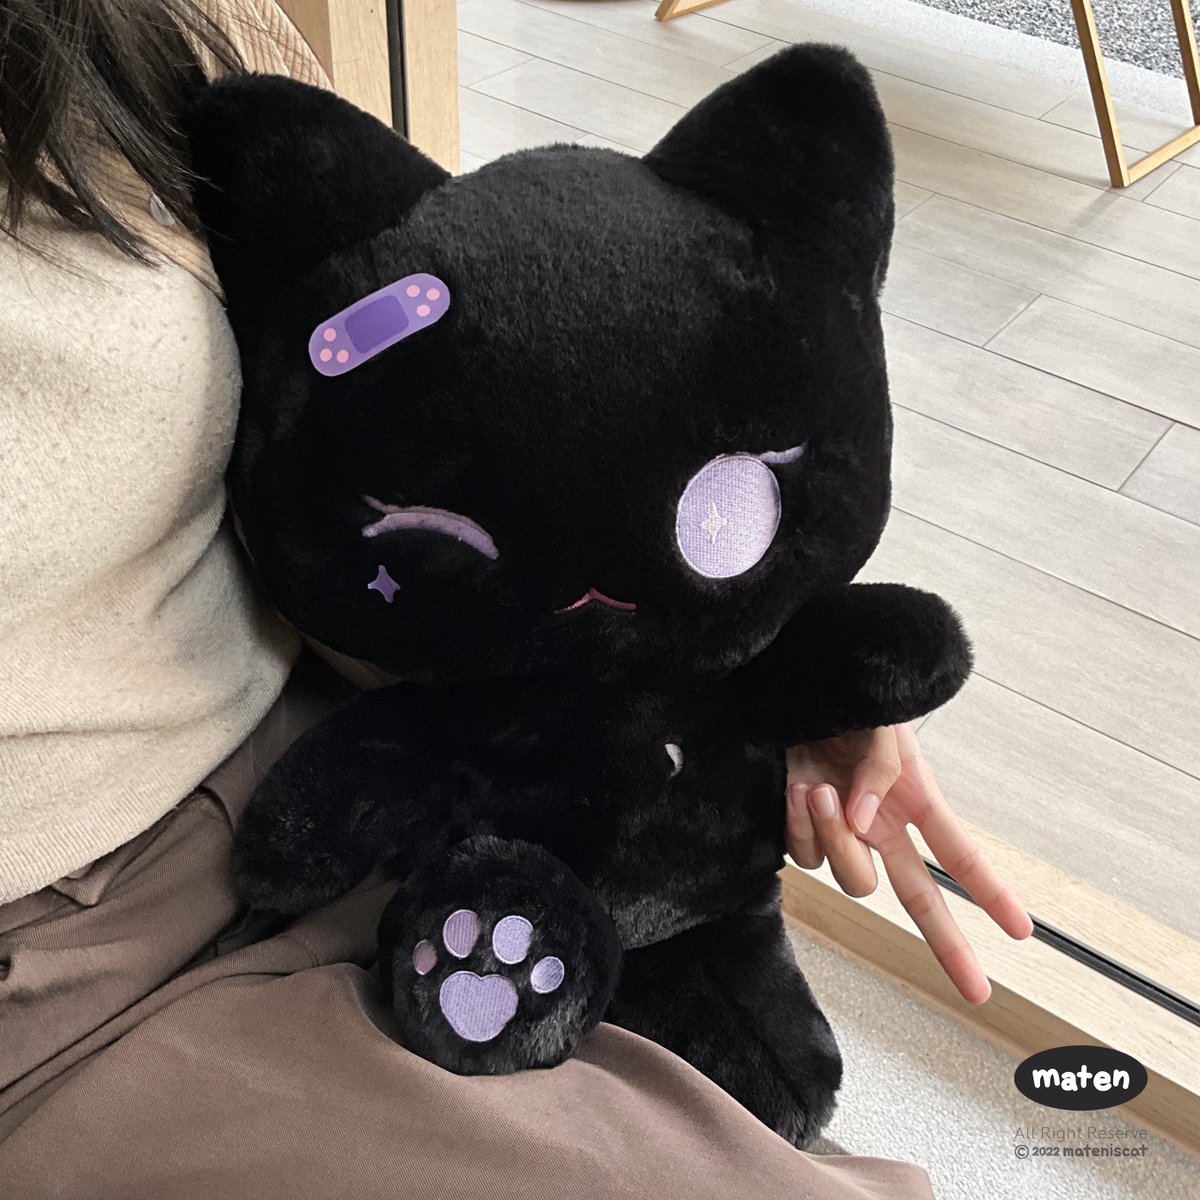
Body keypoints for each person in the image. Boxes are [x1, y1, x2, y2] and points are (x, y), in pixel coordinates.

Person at [0, 2, 1030, 1196]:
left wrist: (745, 647)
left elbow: (459, 351)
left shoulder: (145, 28)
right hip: (80, 974)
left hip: (371, 752)